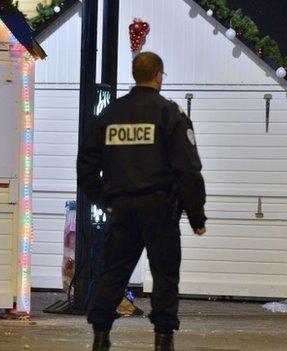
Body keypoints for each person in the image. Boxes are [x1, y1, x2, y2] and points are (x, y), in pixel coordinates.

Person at [77, 51, 207, 351]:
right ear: (158, 75)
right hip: (160, 209)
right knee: (164, 275)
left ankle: (100, 336)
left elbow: (85, 164)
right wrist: (196, 216)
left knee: (114, 272)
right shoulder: (169, 114)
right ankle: (163, 339)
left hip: (121, 209)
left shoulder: (110, 115)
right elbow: (188, 170)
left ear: (136, 75)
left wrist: (105, 199)